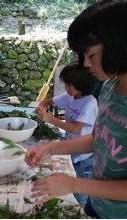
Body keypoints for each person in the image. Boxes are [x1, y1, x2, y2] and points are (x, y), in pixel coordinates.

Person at [25, 0, 127, 218]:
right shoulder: (109, 88)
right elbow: (97, 139)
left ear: (119, 44)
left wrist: (74, 184)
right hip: (98, 203)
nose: (86, 65)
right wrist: (53, 148)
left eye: (90, 56)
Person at [37, 62, 98, 206]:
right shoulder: (70, 96)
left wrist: (50, 118)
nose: (66, 89)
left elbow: (75, 128)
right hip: (71, 150)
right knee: (71, 180)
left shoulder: (90, 103)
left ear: (81, 86)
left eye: (69, 86)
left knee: (80, 190)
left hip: (84, 156)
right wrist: (41, 107)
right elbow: (48, 101)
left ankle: (81, 210)